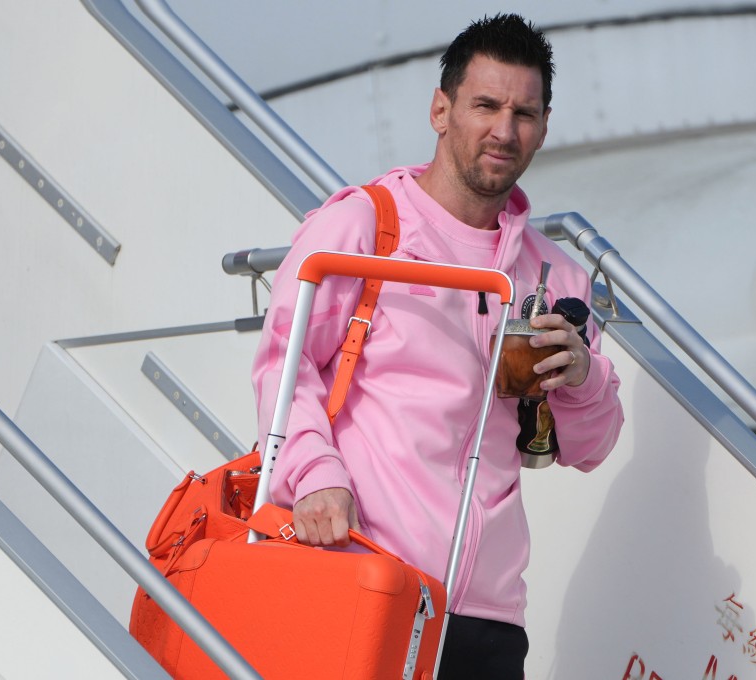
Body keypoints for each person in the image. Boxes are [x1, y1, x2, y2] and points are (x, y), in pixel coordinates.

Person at [252, 13, 623, 679]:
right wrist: (315, 477)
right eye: (486, 105)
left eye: (525, 112)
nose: (505, 131)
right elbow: (285, 366)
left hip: (487, 617)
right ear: (440, 109)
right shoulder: (364, 225)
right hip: (361, 569)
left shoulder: (555, 277)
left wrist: (583, 378)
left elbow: (591, 449)